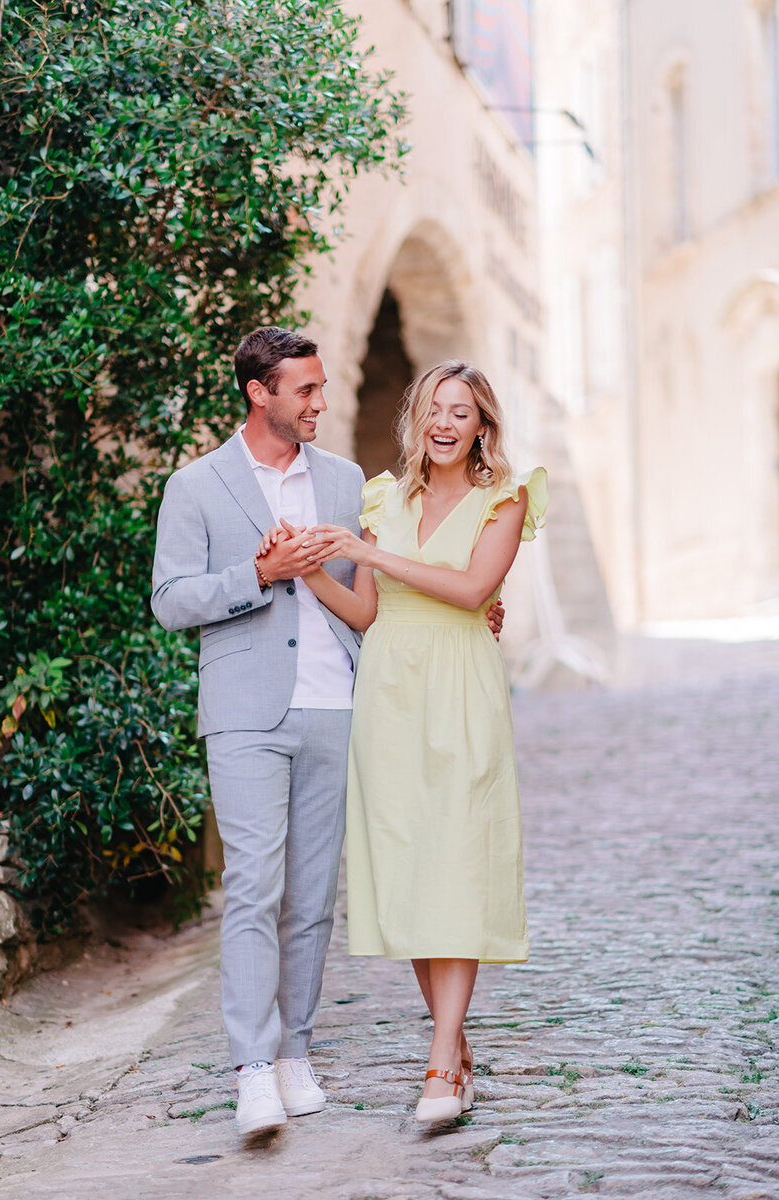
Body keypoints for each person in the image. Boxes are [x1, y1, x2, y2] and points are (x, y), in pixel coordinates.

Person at [151, 329, 505, 1137]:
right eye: (304, 391)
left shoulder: (353, 484)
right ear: (259, 393)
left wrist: (478, 606)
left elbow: (389, 589)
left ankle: (295, 1055)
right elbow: (170, 601)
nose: (320, 403)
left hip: (344, 708)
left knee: (311, 899)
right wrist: (258, 575)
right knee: (253, 888)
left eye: (320, 388)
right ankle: (250, 1068)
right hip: (245, 711)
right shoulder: (196, 486)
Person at [259, 360, 547, 1123]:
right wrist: (310, 563)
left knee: (455, 863)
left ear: (483, 424)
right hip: (386, 695)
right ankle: (451, 1048)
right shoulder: (386, 498)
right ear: (417, 422)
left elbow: (470, 591)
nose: (446, 424)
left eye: (462, 411)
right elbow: (363, 613)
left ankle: (441, 1066)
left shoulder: (505, 499)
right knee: (416, 871)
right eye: (433, 410)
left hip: (459, 690)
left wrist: (372, 551)